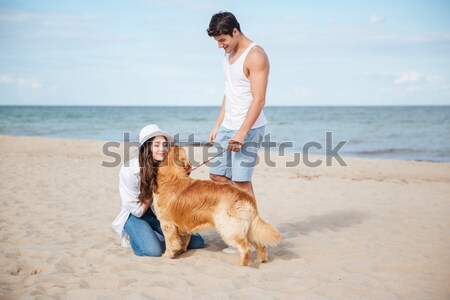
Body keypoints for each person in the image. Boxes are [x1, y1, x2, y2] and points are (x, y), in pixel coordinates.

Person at [112, 124, 205, 256]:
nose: (162, 149)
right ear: (147, 147)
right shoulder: (129, 171)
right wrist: (156, 187)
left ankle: (151, 233)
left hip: (158, 212)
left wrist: (181, 177)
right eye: (156, 145)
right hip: (135, 215)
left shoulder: (165, 165)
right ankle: (132, 236)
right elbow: (137, 211)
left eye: (165, 145)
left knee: (197, 242)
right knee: (152, 251)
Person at [206, 11, 269, 198]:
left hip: (248, 128)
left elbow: (259, 99)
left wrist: (241, 133)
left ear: (235, 32)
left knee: (241, 182)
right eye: (217, 41)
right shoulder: (227, 55)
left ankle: (251, 224)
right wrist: (218, 124)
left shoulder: (255, 55)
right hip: (227, 125)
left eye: (222, 40)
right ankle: (238, 212)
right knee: (216, 175)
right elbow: (229, 92)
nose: (220, 45)